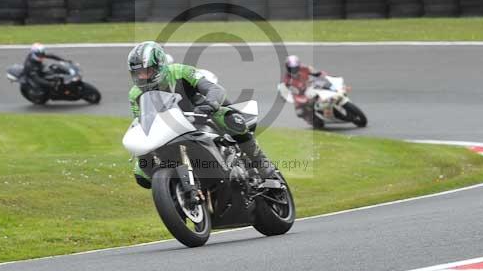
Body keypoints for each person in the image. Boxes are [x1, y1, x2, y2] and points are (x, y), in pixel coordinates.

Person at [128, 41, 278, 189]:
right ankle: (176, 192)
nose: (143, 77)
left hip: (200, 117)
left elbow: (213, 88)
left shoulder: (180, 71)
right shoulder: (135, 94)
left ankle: (263, 165)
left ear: (159, 65)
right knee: (141, 173)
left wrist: (210, 104)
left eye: (147, 71)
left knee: (232, 120)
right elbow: (142, 120)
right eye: (138, 73)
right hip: (168, 133)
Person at [282, 55, 331, 120]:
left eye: (295, 68)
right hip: (300, 95)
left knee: (326, 88)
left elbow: (315, 72)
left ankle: (328, 108)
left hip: (309, 87)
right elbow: (285, 90)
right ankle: (310, 115)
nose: (294, 70)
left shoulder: (305, 68)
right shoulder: (286, 79)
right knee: (300, 112)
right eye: (291, 68)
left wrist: (321, 74)